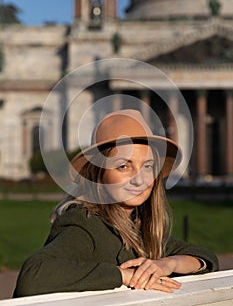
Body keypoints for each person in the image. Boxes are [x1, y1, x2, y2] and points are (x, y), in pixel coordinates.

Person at [13, 109, 218, 297]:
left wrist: (169, 263)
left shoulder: (138, 225)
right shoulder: (84, 223)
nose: (139, 179)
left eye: (147, 166)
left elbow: (206, 258)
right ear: (98, 174)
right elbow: (34, 275)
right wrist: (124, 275)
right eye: (123, 166)